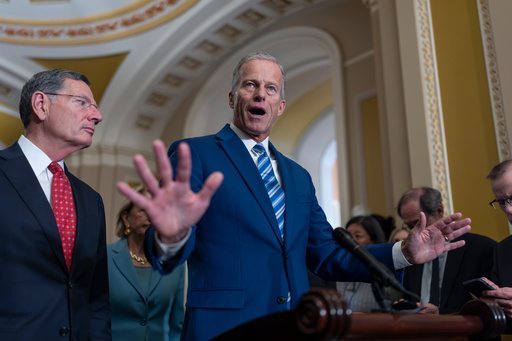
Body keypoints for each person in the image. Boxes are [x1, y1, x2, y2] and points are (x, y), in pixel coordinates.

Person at [117, 51, 471, 341]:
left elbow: (327, 255)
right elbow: (168, 256)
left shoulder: (298, 176)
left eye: (271, 89)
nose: (260, 95)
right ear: (232, 97)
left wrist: (403, 253)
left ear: (280, 105)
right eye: (250, 85)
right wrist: (172, 235)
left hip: (297, 326)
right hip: (225, 328)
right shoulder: (196, 155)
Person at [0, 69, 110, 339]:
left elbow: (96, 297)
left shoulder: (91, 200)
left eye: (94, 107)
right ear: (41, 105)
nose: (97, 115)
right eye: (82, 102)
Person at [398, 187, 496, 314]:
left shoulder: (482, 249)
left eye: (418, 223)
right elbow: (410, 298)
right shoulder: (412, 255)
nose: (414, 233)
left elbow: (490, 309)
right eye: (409, 227)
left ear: (439, 211)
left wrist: (440, 314)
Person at [108, 186, 185, 341]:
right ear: (126, 218)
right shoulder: (106, 256)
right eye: (143, 210)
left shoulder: (175, 262)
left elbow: (177, 323)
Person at [337, 216, 402, 312]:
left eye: (358, 236)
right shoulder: (337, 271)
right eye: (348, 236)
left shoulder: (385, 276)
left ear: (373, 242)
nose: (350, 241)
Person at [480, 160, 512, 320]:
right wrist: (491, 306)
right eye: (501, 202)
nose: (508, 209)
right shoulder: (503, 250)